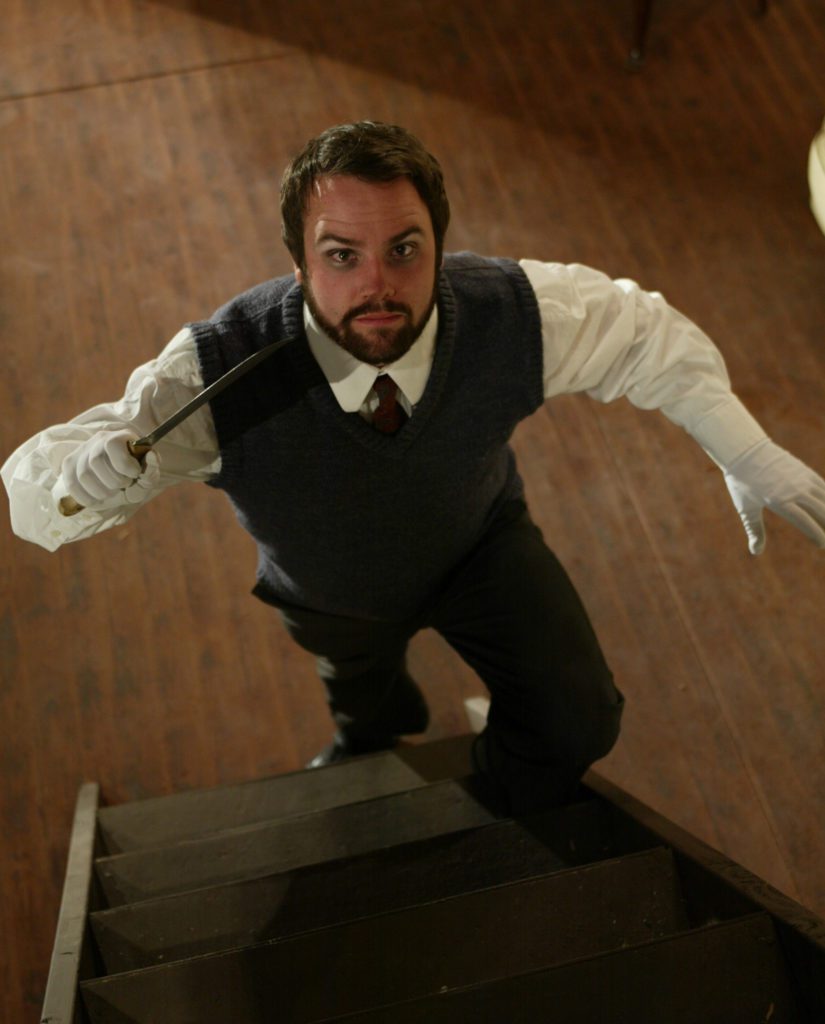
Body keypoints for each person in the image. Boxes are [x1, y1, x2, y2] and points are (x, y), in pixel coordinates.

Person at [4, 121, 824, 815]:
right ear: (298, 263)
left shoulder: (510, 312)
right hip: (330, 595)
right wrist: (77, 487)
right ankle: (367, 737)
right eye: (341, 255)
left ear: (439, 244)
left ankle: (488, 810)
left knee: (579, 720)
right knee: (362, 697)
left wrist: (741, 448)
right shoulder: (216, 372)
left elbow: (644, 336)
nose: (377, 286)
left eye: (403, 250)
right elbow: (40, 499)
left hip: (480, 548)